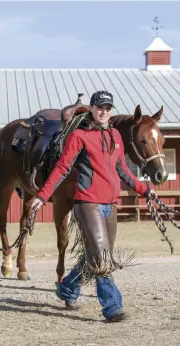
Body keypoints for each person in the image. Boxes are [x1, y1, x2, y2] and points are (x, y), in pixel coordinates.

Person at [31, 90, 156, 322]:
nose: (104, 112)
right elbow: (63, 168)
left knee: (96, 256)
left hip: (110, 205)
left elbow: (122, 170)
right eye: (100, 107)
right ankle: (112, 307)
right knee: (102, 258)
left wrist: (145, 190)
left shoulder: (116, 137)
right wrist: (42, 195)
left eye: (108, 108)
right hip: (87, 203)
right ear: (91, 109)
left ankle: (67, 288)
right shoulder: (79, 136)